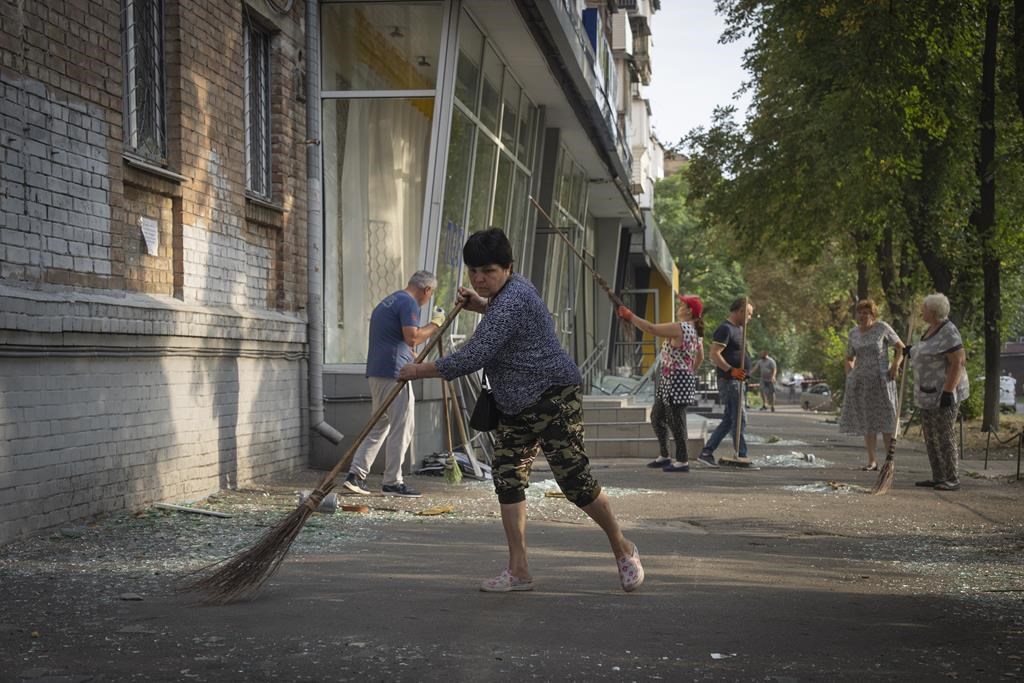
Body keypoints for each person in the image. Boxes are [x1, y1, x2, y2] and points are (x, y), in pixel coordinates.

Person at [399, 228, 643, 593]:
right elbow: (498, 317)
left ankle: (623, 548)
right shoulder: (506, 296)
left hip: (552, 398)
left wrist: (418, 370)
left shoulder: (513, 299)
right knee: (507, 478)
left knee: (576, 483)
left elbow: (475, 355)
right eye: (473, 272)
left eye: (489, 271)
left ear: (508, 268)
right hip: (514, 404)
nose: (480, 279)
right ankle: (519, 569)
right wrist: (478, 303)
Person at [341, 271, 446, 498]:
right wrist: (436, 324)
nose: (428, 299)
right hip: (395, 373)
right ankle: (392, 481)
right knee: (403, 426)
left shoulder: (388, 301)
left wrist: (411, 354)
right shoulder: (409, 303)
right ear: (427, 290)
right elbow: (413, 337)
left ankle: (355, 475)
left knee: (379, 425)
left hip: (378, 372)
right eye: (430, 294)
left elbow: (396, 340)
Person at [618, 294, 705, 472]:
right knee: (657, 417)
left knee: (676, 421)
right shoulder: (695, 330)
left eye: (682, 305)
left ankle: (682, 461)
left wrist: (631, 316)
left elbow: (651, 328)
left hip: (676, 380)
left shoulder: (681, 327)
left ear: (689, 311)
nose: (678, 307)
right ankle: (665, 456)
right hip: (672, 379)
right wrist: (689, 370)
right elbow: (700, 356)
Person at [837, 299, 905, 471]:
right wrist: (850, 376)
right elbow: (849, 358)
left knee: (887, 421)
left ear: (873, 314)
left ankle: (889, 461)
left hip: (882, 380)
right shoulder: (853, 333)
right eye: (860, 312)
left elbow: (901, 348)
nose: (863, 315)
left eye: (866, 312)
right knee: (869, 422)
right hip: (862, 383)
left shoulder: (882, 328)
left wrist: (896, 365)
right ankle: (872, 460)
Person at [910, 293, 968, 491]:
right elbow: (927, 351)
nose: (921, 311)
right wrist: (910, 351)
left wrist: (948, 391)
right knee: (930, 434)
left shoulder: (948, 331)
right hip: (926, 392)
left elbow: (958, 361)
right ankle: (938, 476)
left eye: (924, 308)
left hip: (944, 391)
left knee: (944, 434)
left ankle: (952, 478)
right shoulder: (930, 329)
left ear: (933, 311)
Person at [696, 298, 753, 467]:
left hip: (738, 381)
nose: (750, 317)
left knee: (729, 420)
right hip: (729, 381)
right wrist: (731, 370)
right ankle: (741, 456)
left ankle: (706, 452)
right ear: (740, 311)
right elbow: (714, 354)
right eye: (748, 313)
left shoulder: (740, 329)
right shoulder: (725, 329)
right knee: (739, 418)